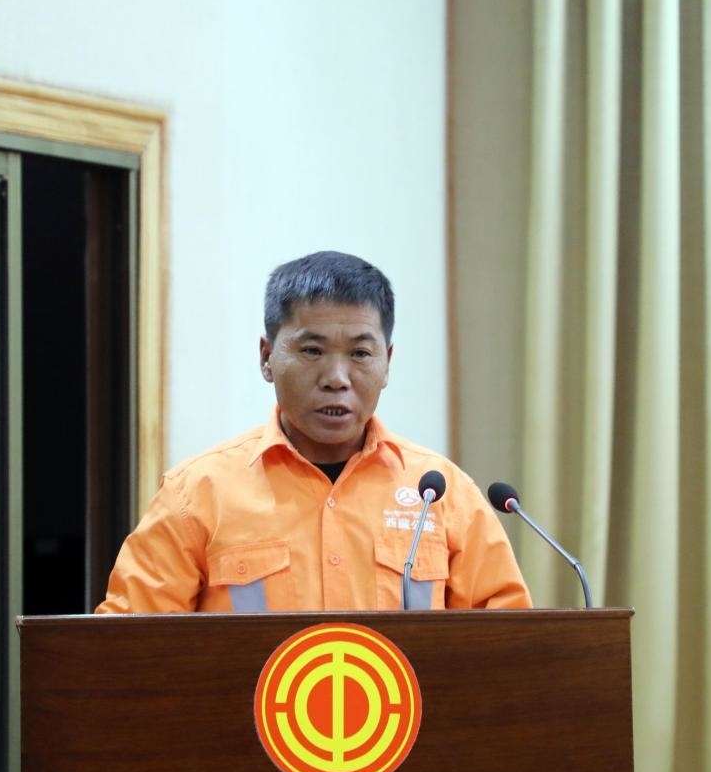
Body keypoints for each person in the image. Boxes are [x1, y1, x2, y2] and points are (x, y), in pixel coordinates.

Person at [96, 251, 531, 613]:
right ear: (266, 357)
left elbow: (507, 647)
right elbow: (128, 648)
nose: (336, 378)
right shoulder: (196, 495)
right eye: (312, 351)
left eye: (360, 353)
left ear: (387, 363)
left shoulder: (442, 494)